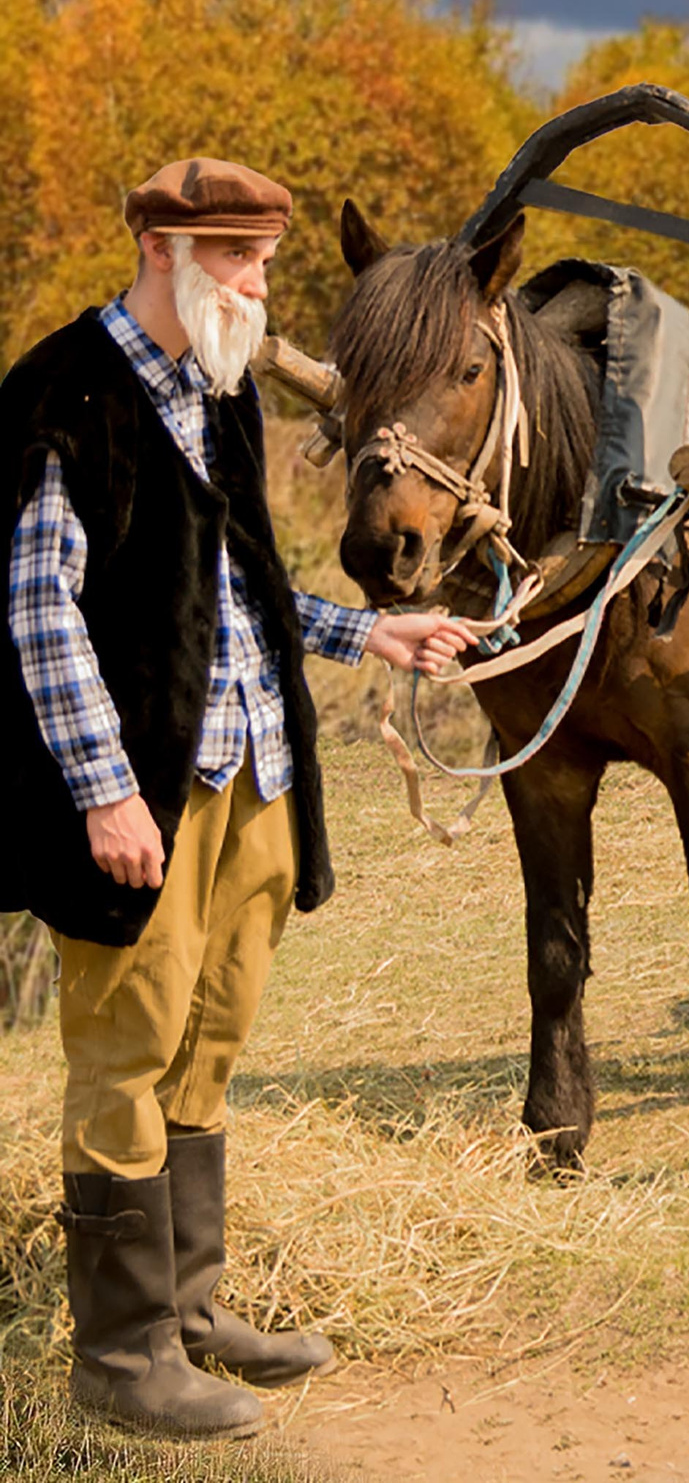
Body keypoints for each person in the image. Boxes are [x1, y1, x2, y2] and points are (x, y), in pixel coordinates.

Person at [0, 158, 475, 1438]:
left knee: (210, 1036)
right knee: (124, 1047)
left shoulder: (221, 396)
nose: (264, 285)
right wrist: (106, 794)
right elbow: (40, 614)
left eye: (265, 260)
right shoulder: (63, 395)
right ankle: (119, 1354)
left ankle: (190, 1312)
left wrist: (364, 634)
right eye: (241, 260)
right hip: (140, 798)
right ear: (163, 250)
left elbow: (237, 579)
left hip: (253, 770)